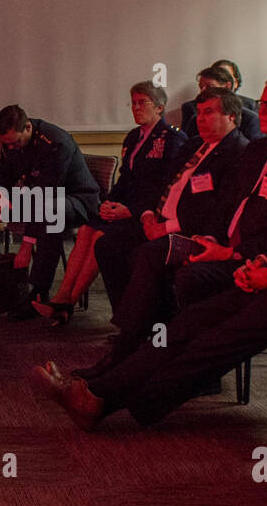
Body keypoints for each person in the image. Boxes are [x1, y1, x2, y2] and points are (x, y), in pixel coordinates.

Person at [35, 80, 267, 431]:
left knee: (212, 337)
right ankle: (101, 388)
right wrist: (263, 264)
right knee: (187, 323)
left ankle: (106, 398)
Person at [33, 81, 186, 325]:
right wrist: (109, 203)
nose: (136, 108)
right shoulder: (134, 137)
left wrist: (131, 211)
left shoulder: (172, 139)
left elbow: (165, 187)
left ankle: (66, 304)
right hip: (124, 208)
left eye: (142, 102)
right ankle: (62, 298)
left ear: (159, 108)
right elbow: (126, 179)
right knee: (85, 230)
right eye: (133, 102)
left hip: (147, 214)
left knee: (99, 239)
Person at [90, 88, 247, 322]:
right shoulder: (194, 144)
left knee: (147, 255)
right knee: (107, 244)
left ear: (231, 117)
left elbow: (216, 209)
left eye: (209, 113)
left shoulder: (238, 151)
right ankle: (128, 319)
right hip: (158, 220)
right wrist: (146, 215)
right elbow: (162, 185)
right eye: (199, 112)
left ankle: (142, 328)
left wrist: (166, 227)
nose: (200, 119)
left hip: (191, 232)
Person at [0, 105, 100, 319]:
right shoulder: (10, 144)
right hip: (39, 197)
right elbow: (5, 178)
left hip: (77, 200)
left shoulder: (56, 143)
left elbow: (46, 196)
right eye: (6, 144)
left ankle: (37, 294)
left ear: (28, 128)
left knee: (51, 213)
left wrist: (26, 245)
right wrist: (1, 198)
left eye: (15, 143)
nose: (10, 149)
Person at [179, 65, 263, 142]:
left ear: (228, 86)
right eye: (201, 87)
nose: (203, 91)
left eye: (210, 87)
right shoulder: (195, 119)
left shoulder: (250, 119)